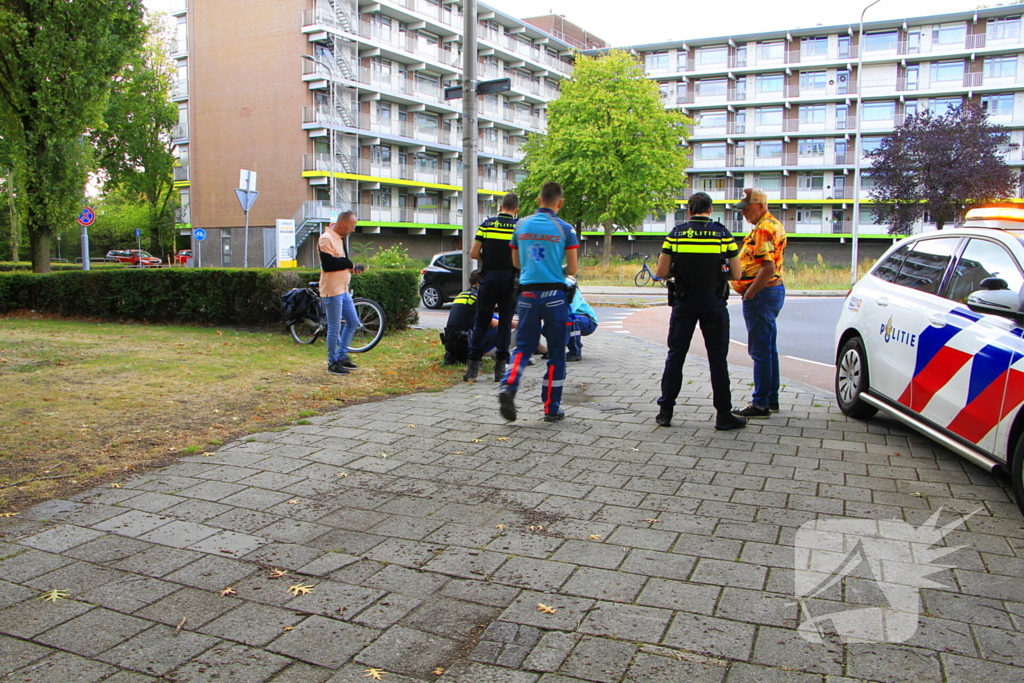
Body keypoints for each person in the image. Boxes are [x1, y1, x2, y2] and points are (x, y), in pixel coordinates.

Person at [655, 192, 746, 431]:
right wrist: (717, 275)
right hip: (713, 302)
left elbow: (662, 272)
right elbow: (736, 274)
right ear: (710, 210)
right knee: (717, 358)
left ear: (689, 211)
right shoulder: (723, 234)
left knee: (676, 355)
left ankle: (665, 411)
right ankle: (724, 415)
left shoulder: (676, 234)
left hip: (684, 301)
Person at [498, 181, 578, 422]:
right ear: (560, 203)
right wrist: (555, 268)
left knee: (522, 346)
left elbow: (516, 263)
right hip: (555, 296)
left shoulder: (521, 225)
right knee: (556, 353)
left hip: (527, 294)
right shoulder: (565, 229)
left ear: (538, 201)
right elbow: (573, 268)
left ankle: (509, 384)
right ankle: (551, 409)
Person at [730, 187, 787, 418]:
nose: (743, 213)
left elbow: (768, 267)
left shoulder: (763, 229)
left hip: (762, 294)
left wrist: (750, 293)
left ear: (760, 205)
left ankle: (760, 403)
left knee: (760, 351)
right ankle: (770, 399)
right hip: (772, 292)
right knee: (769, 349)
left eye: (747, 208)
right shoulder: (773, 224)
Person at [465, 193, 519, 383]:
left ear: (501, 206)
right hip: (509, 281)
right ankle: (500, 368)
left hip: (488, 278)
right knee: (505, 323)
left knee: (481, 321)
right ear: (516, 210)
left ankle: (472, 368)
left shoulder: (487, 225)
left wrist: (487, 259)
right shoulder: (519, 227)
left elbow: (473, 253)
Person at [318, 210, 364, 376]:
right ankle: (332, 363)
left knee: (353, 322)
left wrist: (352, 268)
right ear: (343, 224)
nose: (353, 229)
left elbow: (341, 263)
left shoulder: (340, 238)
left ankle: (342, 356)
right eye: (352, 226)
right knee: (334, 327)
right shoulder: (326, 238)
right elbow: (328, 265)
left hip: (343, 290)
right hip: (332, 291)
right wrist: (347, 263)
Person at [441, 270, 498, 365]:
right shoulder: (479, 297)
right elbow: (492, 323)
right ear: (479, 283)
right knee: (501, 328)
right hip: (466, 343)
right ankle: (505, 357)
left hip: (450, 342)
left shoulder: (462, 294)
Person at [565, 277, 597, 361]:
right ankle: (574, 343)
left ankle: (575, 352)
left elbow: (569, 311)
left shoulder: (573, 294)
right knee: (546, 328)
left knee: (571, 321)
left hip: (588, 321)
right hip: (572, 318)